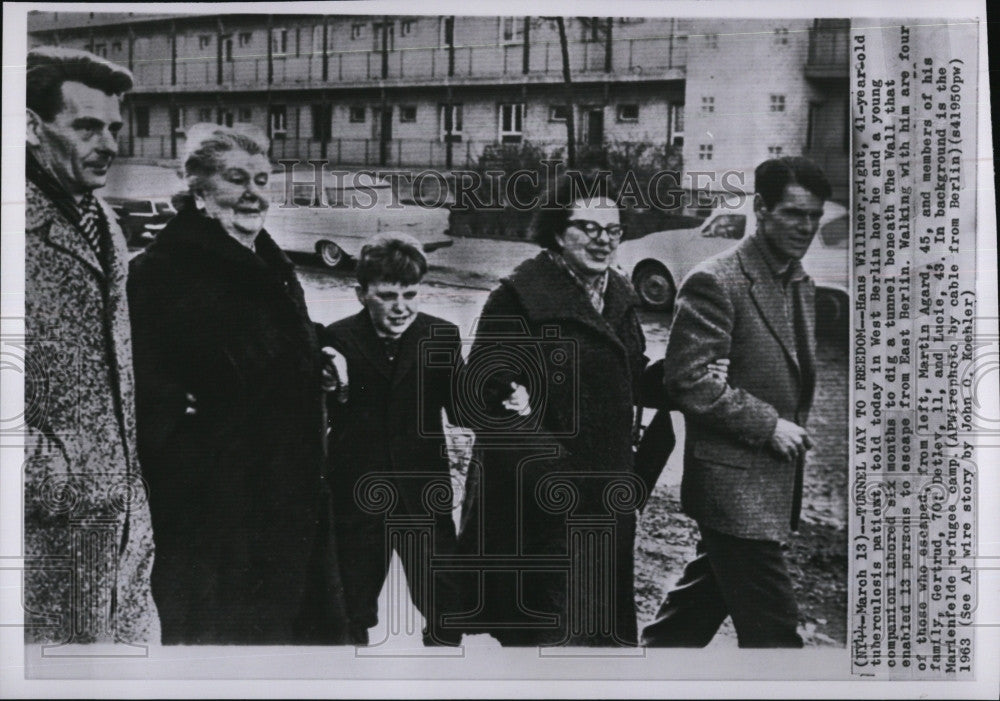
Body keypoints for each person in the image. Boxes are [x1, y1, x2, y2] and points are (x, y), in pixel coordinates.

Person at [127, 123, 348, 644]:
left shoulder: (267, 259)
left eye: (262, 179)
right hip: (220, 517)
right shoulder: (162, 272)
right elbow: (147, 394)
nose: (253, 192)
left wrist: (323, 349)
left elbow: (275, 334)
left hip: (294, 496)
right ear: (199, 188)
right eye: (236, 178)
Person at [641, 157, 830, 648]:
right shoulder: (716, 280)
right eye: (793, 214)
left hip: (766, 486)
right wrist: (768, 425)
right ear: (761, 209)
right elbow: (689, 381)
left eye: (813, 216)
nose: (805, 227)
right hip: (731, 489)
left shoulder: (798, 280)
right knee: (775, 635)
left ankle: (644, 675)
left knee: (693, 614)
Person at [458, 172, 649, 646]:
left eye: (613, 230)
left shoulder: (620, 296)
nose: (603, 240)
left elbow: (632, 370)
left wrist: (687, 372)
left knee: (595, 627)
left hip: (604, 494)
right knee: (546, 632)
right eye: (589, 227)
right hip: (537, 499)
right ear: (558, 231)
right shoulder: (518, 297)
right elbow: (483, 395)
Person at [23, 46, 159, 645]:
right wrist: (53, 474)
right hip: (39, 541)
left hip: (120, 538)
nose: (107, 143)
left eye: (112, 128)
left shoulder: (102, 220)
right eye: (85, 126)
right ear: (30, 126)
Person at [321, 234, 466, 646]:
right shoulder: (338, 339)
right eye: (387, 295)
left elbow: (462, 410)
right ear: (361, 294)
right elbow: (320, 412)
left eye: (410, 294)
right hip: (356, 492)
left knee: (446, 604)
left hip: (422, 492)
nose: (401, 306)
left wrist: (502, 390)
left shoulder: (440, 337)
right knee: (351, 606)